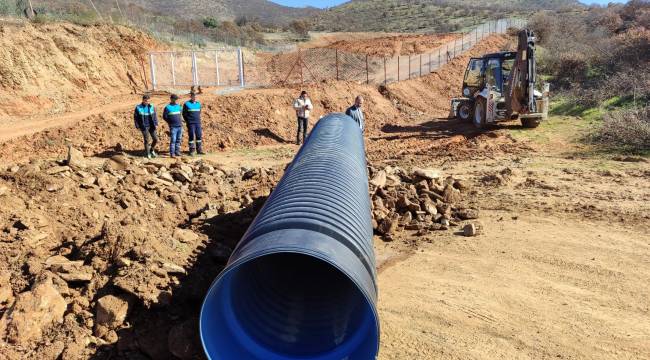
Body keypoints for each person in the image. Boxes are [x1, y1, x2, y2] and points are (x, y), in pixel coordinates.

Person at [133, 94, 159, 159]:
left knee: (155, 139)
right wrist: (137, 126)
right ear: (143, 100)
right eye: (145, 100)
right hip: (144, 127)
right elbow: (136, 118)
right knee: (147, 140)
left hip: (152, 126)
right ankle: (148, 153)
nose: (147, 102)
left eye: (148, 100)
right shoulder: (138, 107)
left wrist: (156, 123)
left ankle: (151, 150)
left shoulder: (151, 107)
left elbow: (154, 116)